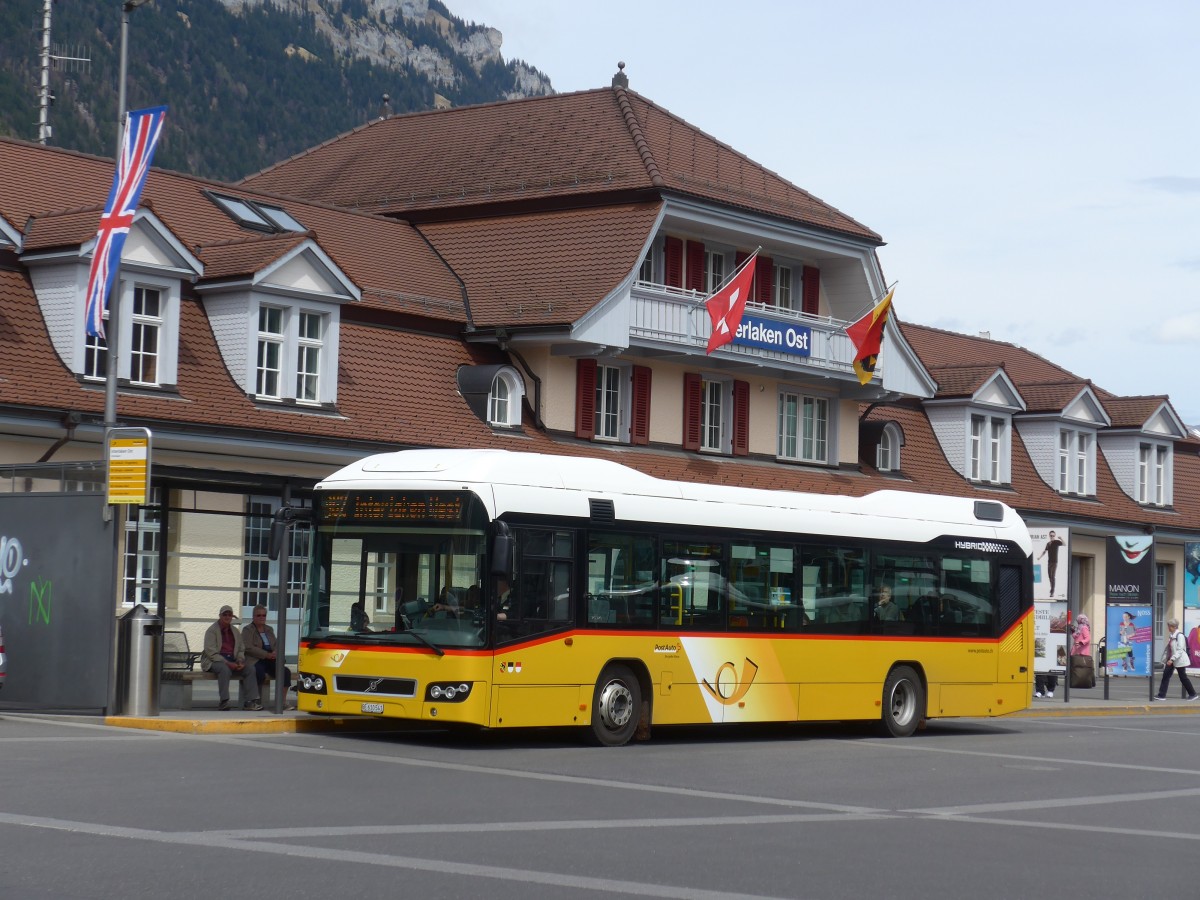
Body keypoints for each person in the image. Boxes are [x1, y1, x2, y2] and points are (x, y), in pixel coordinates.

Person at [201, 605, 261, 711]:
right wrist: (227, 663)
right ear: (220, 616)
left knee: (250, 669)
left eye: (229, 615)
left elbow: (241, 649)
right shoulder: (212, 630)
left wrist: (240, 660)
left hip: (232, 659)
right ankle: (224, 701)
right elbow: (211, 652)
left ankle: (250, 701)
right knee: (224, 669)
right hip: (215, 660)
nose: (227, 617)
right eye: (225, 614)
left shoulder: (235, 631)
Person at [242, 605, 293, 704]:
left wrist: (275, 652)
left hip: (270, 659)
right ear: (253, 617)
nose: (262, 617)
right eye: (259, 615)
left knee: (285, 672)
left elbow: (276, 644)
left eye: (264, 615)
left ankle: (281, 702)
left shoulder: (269, 629)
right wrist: (266, 654)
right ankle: (254, 700)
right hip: (255, 659)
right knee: (259, 672)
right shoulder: (247, 630)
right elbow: (248, 647)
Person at [1152, 618, 1198, 701]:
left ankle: (1193, 694)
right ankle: (1161, 695)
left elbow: (1180, 650)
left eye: (1169, 626)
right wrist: (1166, 659)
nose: (1168, 628)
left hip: (1179, 660)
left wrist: (1172, 659)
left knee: (1183, 677)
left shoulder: (1179, 636)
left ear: (1174, 626)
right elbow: (1169, 648)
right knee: (1165, 676)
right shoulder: (1172, 636)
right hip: (1172, 659)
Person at [1037, 531, 1065, 597]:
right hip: (1049, 562)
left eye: (1053, 535)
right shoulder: (1048, 544)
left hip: (1055, 562)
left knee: (1052, 576)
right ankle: (1052, 589)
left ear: (1054, 536)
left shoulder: (1056, 542)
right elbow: (1045, 551)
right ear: (1049, 536)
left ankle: (1052, 592)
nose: (1052, 536)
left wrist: (1061, 538)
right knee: (1049, 576)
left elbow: (1064, 544)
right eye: (1051, 535)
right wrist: (1040, 557)